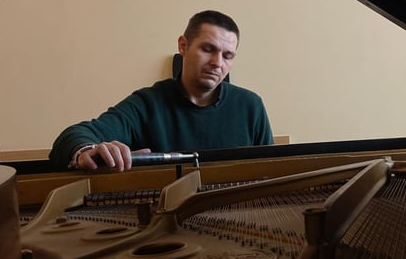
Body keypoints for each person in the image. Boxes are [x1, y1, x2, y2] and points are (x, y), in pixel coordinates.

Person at [49, 10, 274, 171]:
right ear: (183, 46)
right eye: (208, 49)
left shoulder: (251, 106)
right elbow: (71, 137)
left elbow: (273, 168)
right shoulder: (147, 104)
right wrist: (87, 150)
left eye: (227, 55)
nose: (217, 63)